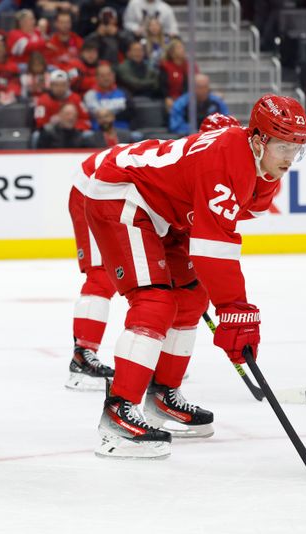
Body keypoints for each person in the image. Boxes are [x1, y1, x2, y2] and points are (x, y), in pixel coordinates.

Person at [82, 96, 306, 458]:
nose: (289, 156)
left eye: (297, 147)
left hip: (166, 208)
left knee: (190, 297)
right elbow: (213, 247)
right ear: (257, 140)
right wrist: (235, 309)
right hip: (122, 193)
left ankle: (164, 395)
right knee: (154, 301)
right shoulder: (227, 158)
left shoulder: (262, 172)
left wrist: (229, 306)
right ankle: (119, 411)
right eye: (283, 145)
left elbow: (214, 229)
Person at [65, 113, 240, 391]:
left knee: (180, 290)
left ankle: (154, 367)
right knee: (102, 276)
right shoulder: (194, 163)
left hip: (124, 192)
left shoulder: (216, 168)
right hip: (95, 187)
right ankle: (82, 358)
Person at [83, 63, 134, 131]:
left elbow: (131, 112)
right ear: (96, 78)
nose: (106, 78)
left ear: (113, 76)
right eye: (102, 76)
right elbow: (90, 116)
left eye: (109, 75)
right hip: (98, 134)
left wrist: (113, 116)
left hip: (122, 133)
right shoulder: (89, 95)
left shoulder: (124, 93)